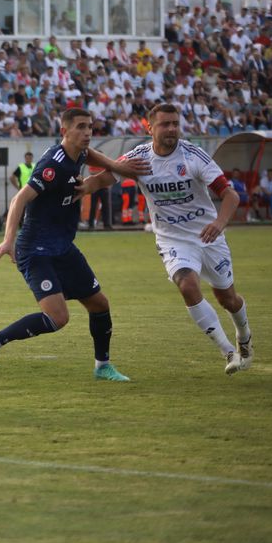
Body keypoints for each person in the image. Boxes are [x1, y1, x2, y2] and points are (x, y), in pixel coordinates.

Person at [0, 108, 148, 381]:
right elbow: (19, 200)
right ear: (64, 131)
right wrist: (9, 241)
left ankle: (103, 367)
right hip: (35, 249)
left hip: (63, 246)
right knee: (57, 318)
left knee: (100, 304)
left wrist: (116, 166)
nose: (87, 132)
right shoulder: (52, 166)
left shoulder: (78, 152)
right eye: (80, 127)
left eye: (90, 126)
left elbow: (89, 155)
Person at [88, 104, 255, 375]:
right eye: (165, 124)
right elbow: (105, 178)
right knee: (187, 286)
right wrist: (81, 188)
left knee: (228, 299)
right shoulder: (139, 158)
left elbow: (230, 195)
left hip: (209, 236)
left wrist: (219, 223)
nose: (172, 129)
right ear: (150, 128)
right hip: (172, 239)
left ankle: (243, 334)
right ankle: (228, 351)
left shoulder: (193, 156)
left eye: (175, 123)